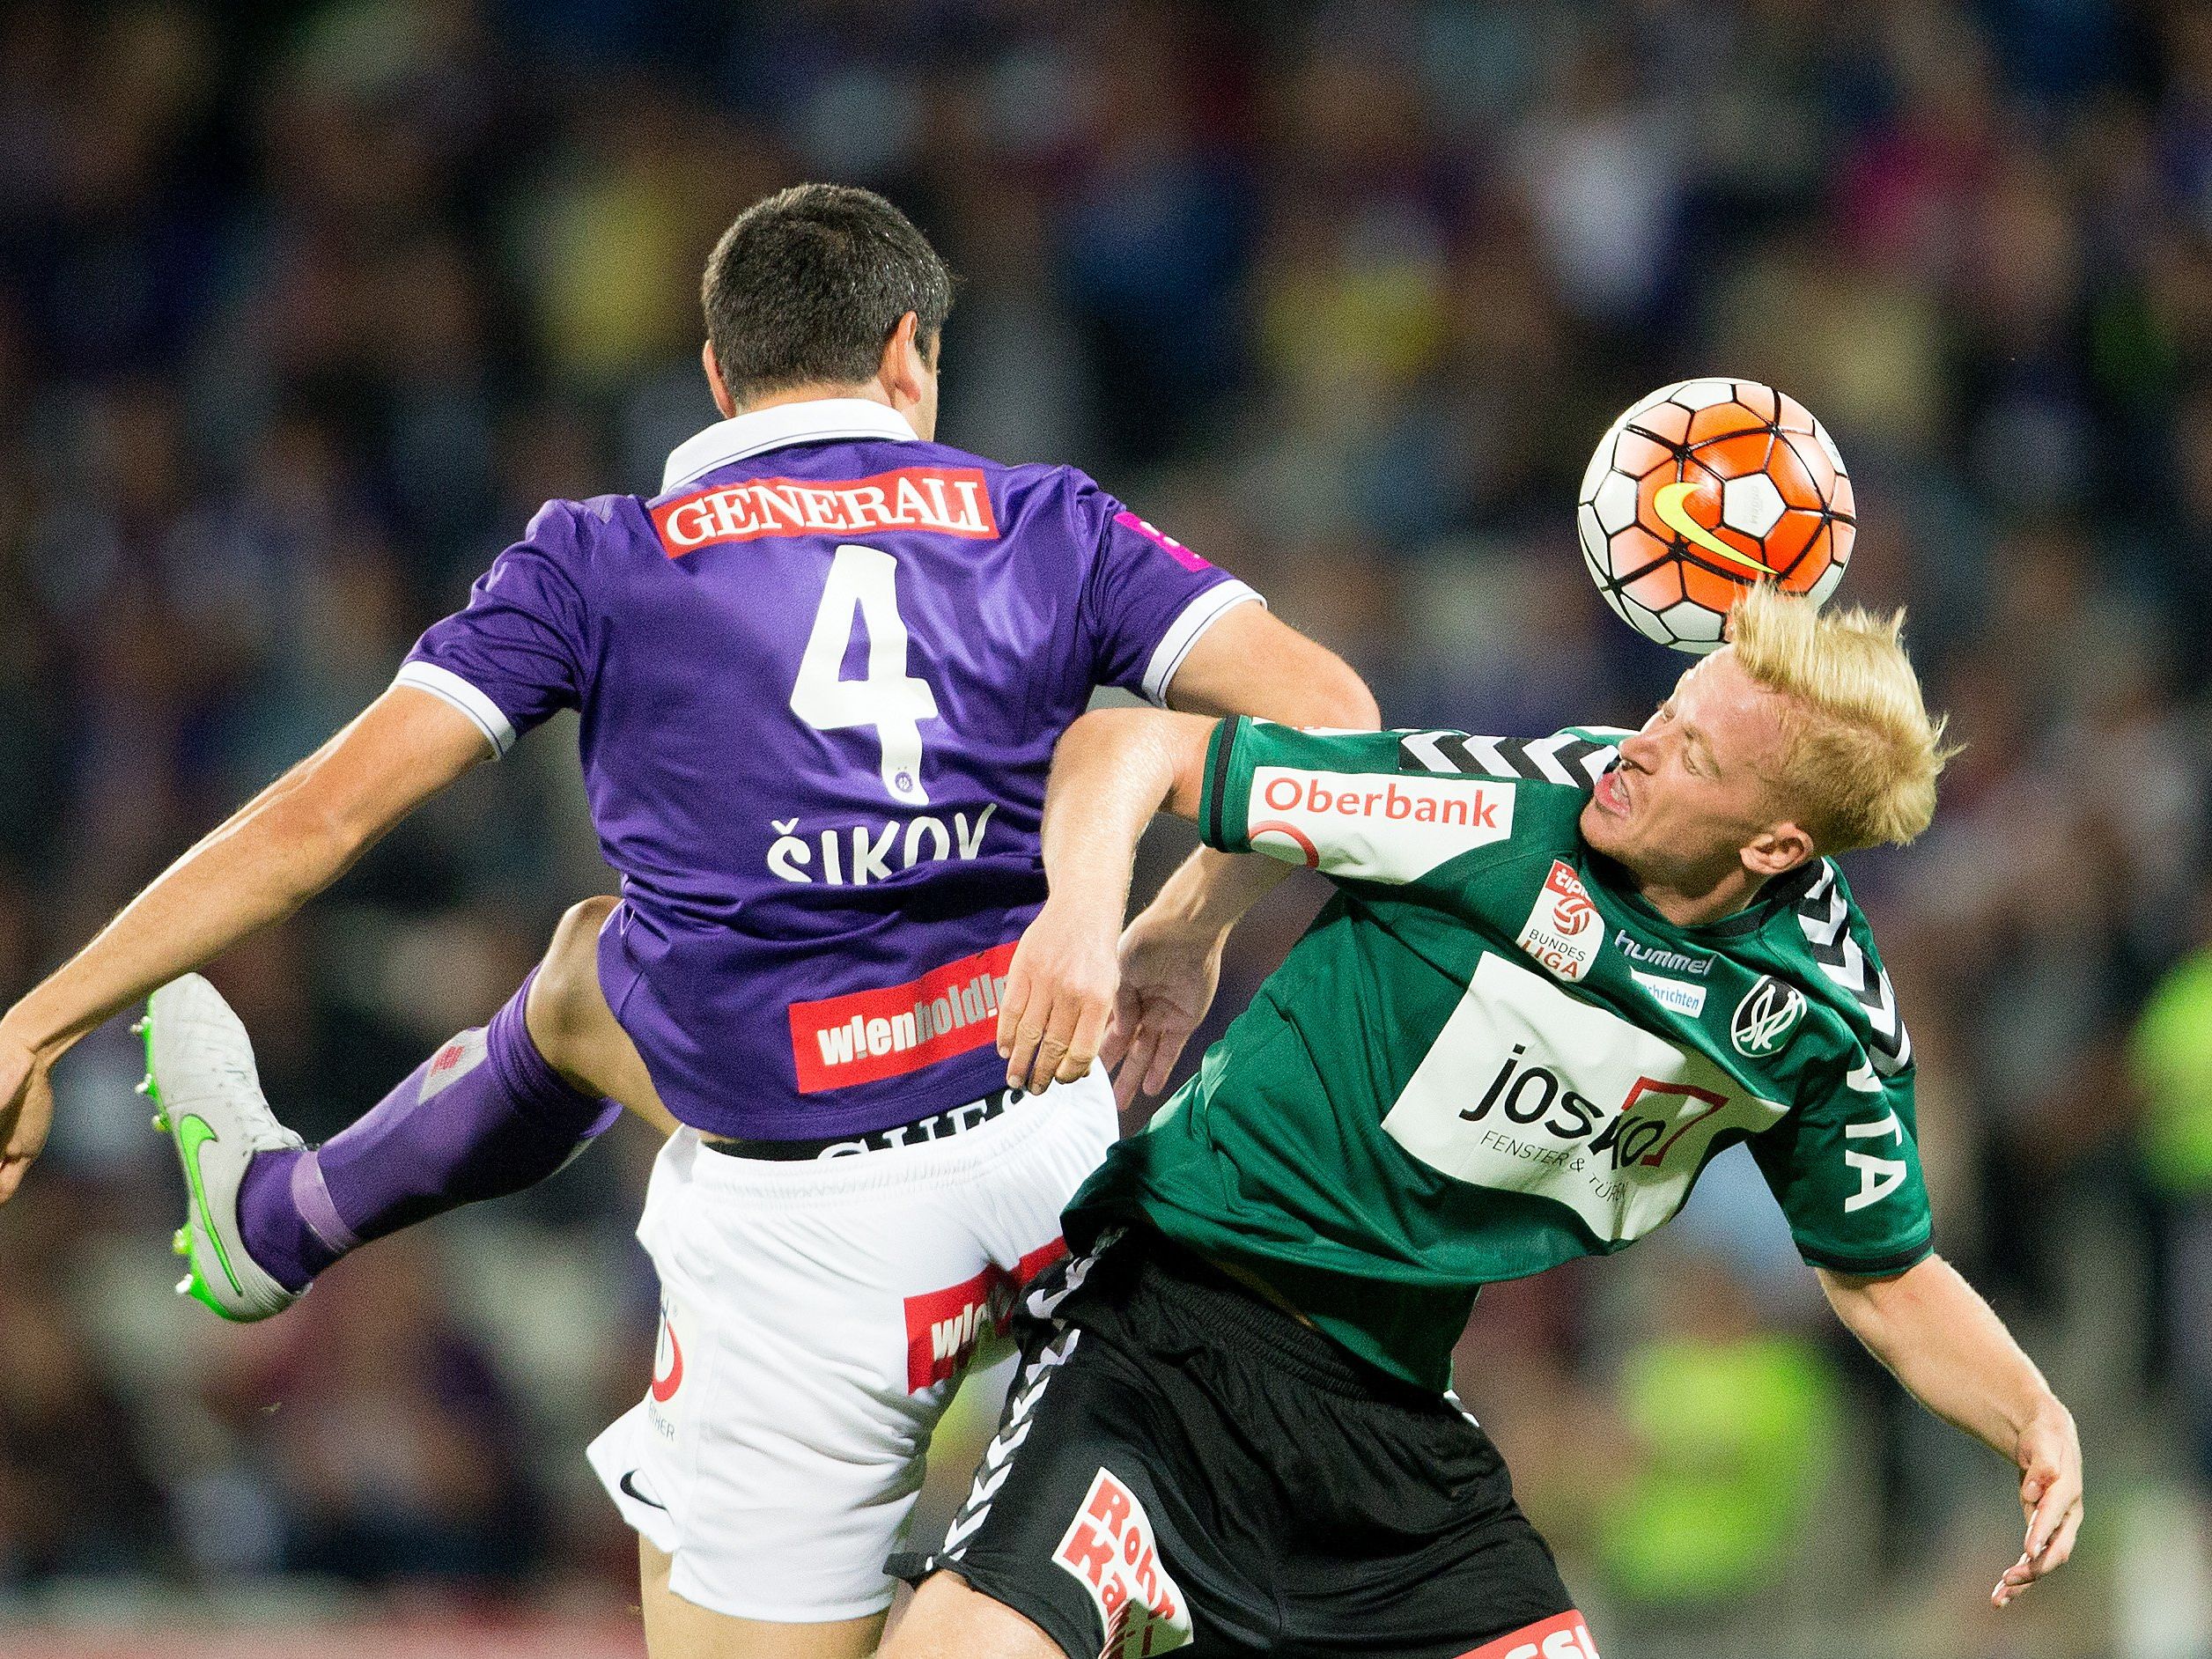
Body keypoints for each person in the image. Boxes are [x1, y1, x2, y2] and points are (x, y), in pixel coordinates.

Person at [0, 183, 1379, 1657]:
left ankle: (280, 1222)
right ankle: (282, 1222)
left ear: (717, 375)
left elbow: (321, 824)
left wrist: (35, 1022)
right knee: (596, 965)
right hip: (1050, 1144)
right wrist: (1186, 919)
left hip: (810, 1233)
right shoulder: (1050, 519)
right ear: (910, 355)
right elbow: (1336, 720)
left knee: (616, 964)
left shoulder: (602, 558)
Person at [885, 582, 2083, 1659]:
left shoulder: (1816, 1017)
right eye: (1669, 707)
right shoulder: (1501, 804)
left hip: (1396, 1436)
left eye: (1697, 757)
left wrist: (2032, 1413)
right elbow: (1125, 746)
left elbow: (1883, 1274)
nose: (1642, 748)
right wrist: (1111, 923)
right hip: (1163, 1346)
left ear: (1776, 845)